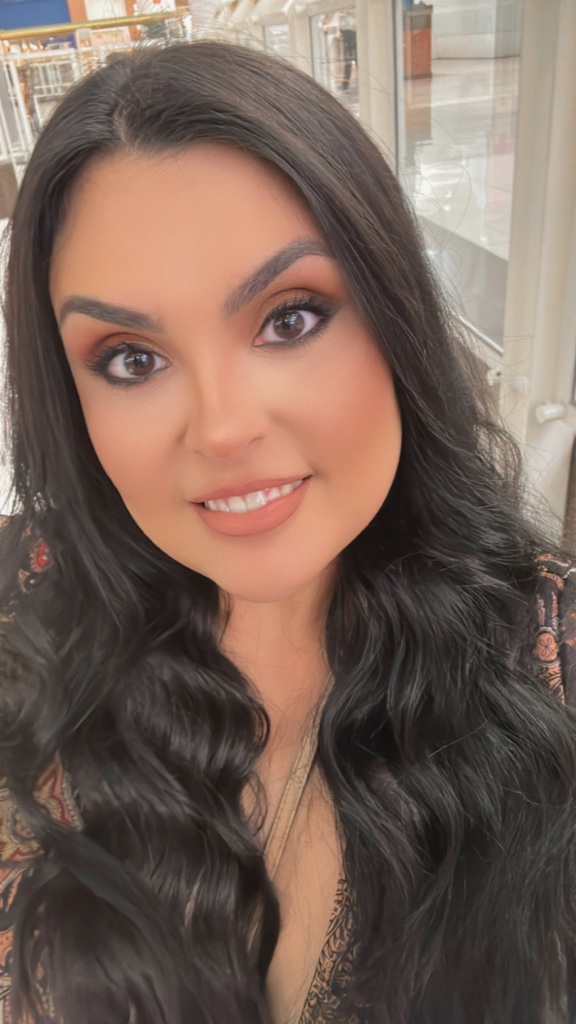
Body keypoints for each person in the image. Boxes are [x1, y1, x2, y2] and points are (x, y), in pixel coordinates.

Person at [0, 39, 575, 1024]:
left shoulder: (549, 655)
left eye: (291, 318)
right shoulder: (23, 606)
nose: (223, 429)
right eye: (132, 360)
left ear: (394, 319)